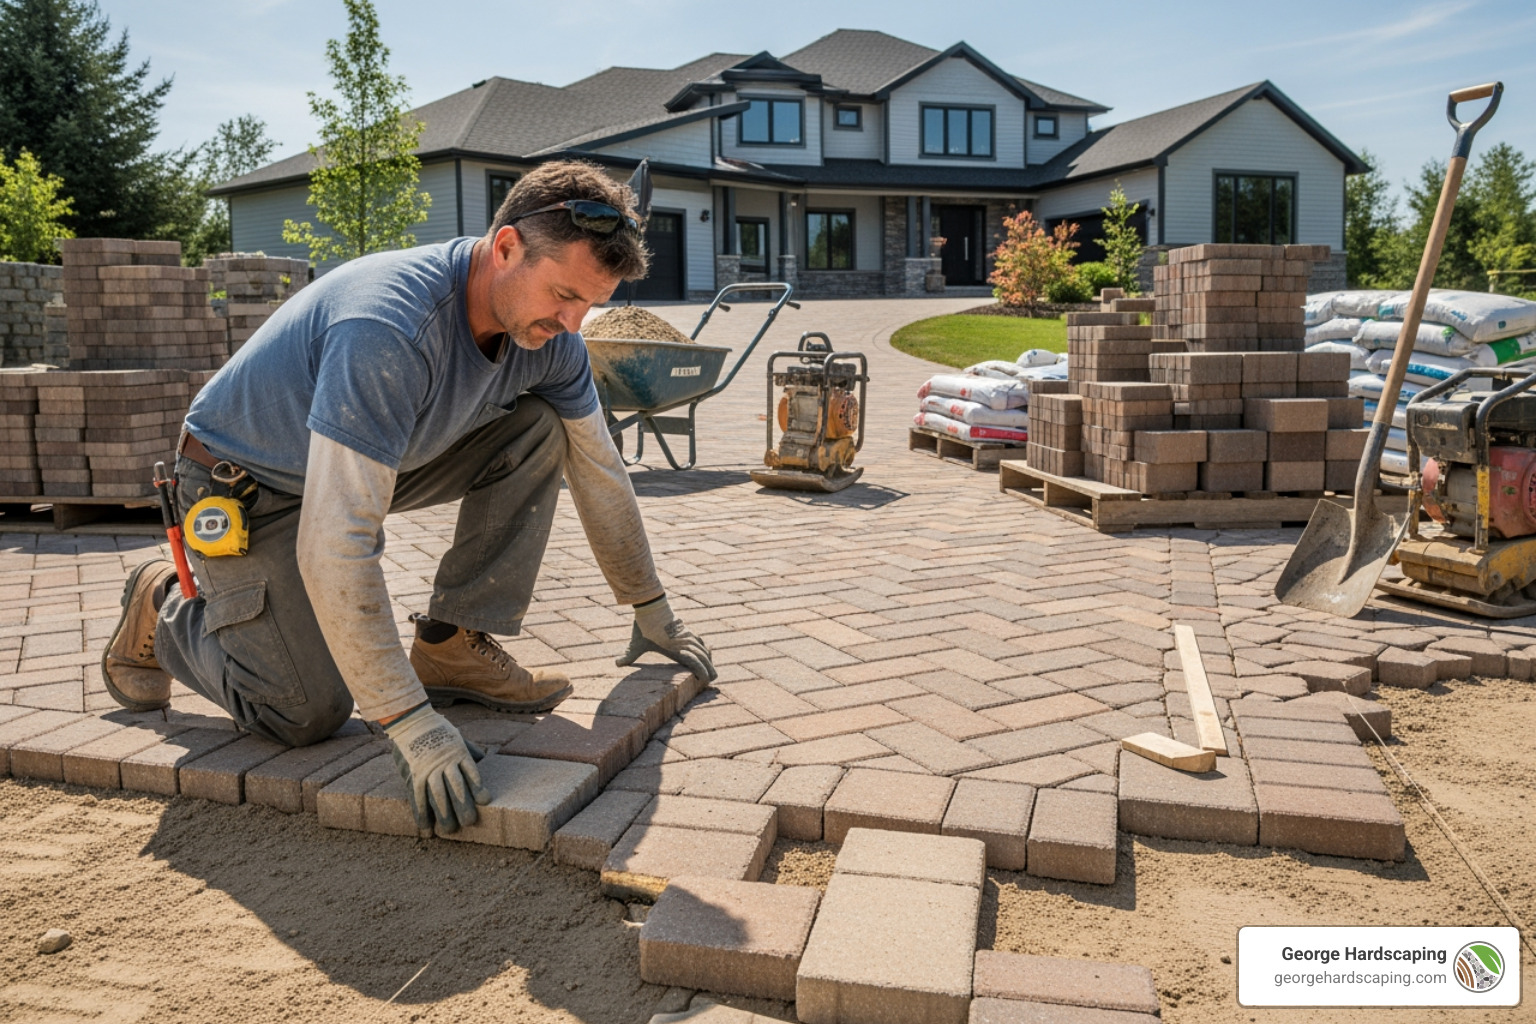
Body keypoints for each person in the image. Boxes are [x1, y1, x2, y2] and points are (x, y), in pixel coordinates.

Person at [100, 160, 716, 834]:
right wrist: (407, 719)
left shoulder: (552, 339)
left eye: (589, 305)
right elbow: (338, 541)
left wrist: (649, 605)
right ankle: (163, 604)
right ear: (506, 247)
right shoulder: (387, 329)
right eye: (564, 294)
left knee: (541, 429)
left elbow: (599, 468)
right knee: (302, 712)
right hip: (247, 483)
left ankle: (452, 645)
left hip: (372, 461)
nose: (573, 323)